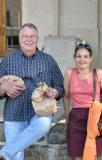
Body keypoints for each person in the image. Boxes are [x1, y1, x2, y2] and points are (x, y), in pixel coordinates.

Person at [0, 23, 64, 160]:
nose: (29, 39)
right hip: (14, 114)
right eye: (25, 36)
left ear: (37, 39)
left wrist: (55, 92)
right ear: (19, 39)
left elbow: (61, 86)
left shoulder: (48, 61)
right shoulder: (7, 61)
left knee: (44, 124)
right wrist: (4, 88)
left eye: (32, 36)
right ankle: (8, 152)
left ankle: (4, 152)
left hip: (40, 112)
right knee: (16, 156)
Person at [63, 43, 102, 160]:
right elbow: (66, 97)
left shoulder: (99, 74)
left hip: (95, 118)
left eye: (86, 56)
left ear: (91, 58)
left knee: (91, 156)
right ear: (74, 58)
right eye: (79, 56)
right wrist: (67, 120)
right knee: (76, 157)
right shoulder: (69, 74)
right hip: (76, 118)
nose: (82, 59)